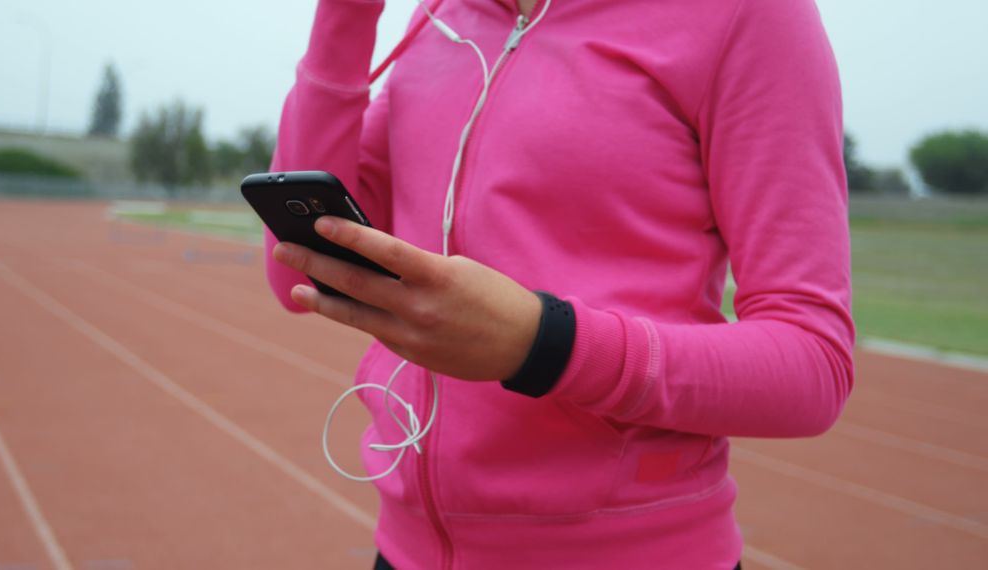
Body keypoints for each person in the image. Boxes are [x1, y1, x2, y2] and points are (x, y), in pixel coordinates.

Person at [264, 0, 854, 568]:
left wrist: (545, 343)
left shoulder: (747, 13)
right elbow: (295, 269)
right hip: (406, 551)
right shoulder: (438, 17)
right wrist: (345, 13)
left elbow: (812, 363)